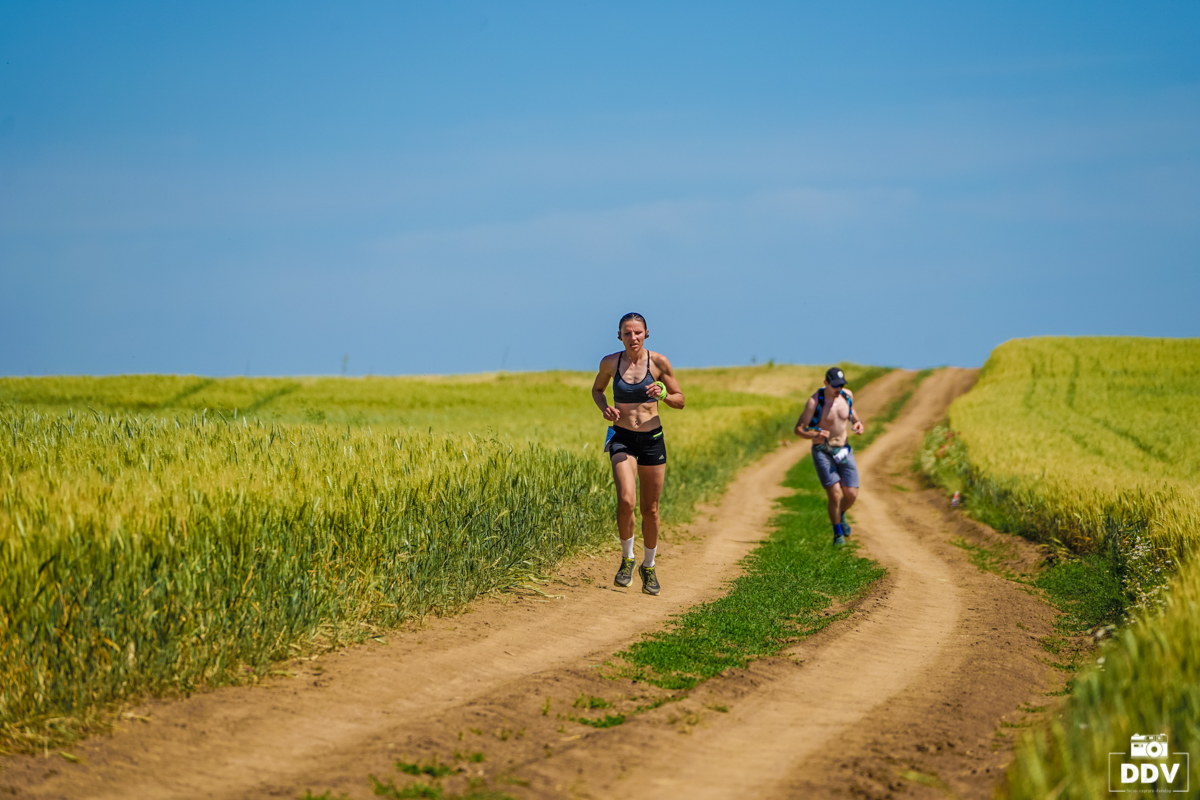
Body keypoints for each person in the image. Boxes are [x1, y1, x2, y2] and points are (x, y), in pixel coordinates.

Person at [591, 312, 685, 595]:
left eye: (638, 332)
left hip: (652, 440)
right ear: (619, 335)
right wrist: (605, 408)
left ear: (646, 334)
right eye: (627, 333)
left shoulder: (659, 362)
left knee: (650, 509)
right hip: (622, 439)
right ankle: (627, 559)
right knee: (625, 500)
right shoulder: (610, 363)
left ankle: (649, 565)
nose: (633, 337)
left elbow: (680, 400)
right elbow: (597, 390)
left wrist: (663, 395)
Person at [795, 367, 865, 546]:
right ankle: (837, 534)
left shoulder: (847, 396)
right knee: (834, 495)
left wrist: (857, 423)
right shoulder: (814, 402)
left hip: (844, 450)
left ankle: (840, 515)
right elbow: (799, 429)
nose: (838, 389)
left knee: (851, 494)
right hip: (823, 451)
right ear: (825, 383)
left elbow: (852, 413)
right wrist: (814, 434)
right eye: (834, 385)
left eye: (841, 385)